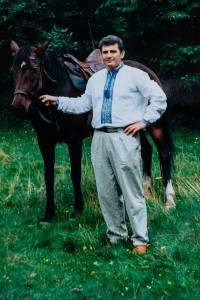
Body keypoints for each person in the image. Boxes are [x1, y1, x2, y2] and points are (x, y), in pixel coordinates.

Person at [40, 35, 167, 254]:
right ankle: (115, 235)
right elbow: (83, 103)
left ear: (122, 53)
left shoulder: (136, 75)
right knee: (106, 192)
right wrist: (57, 100)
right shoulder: (96, 79)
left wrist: (144, 121)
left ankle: (140, 240)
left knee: (132, 191)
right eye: (105, 52)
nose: (108, 55)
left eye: (113, 51)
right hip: (99, 138)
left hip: (124, 137)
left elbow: (159, 98)